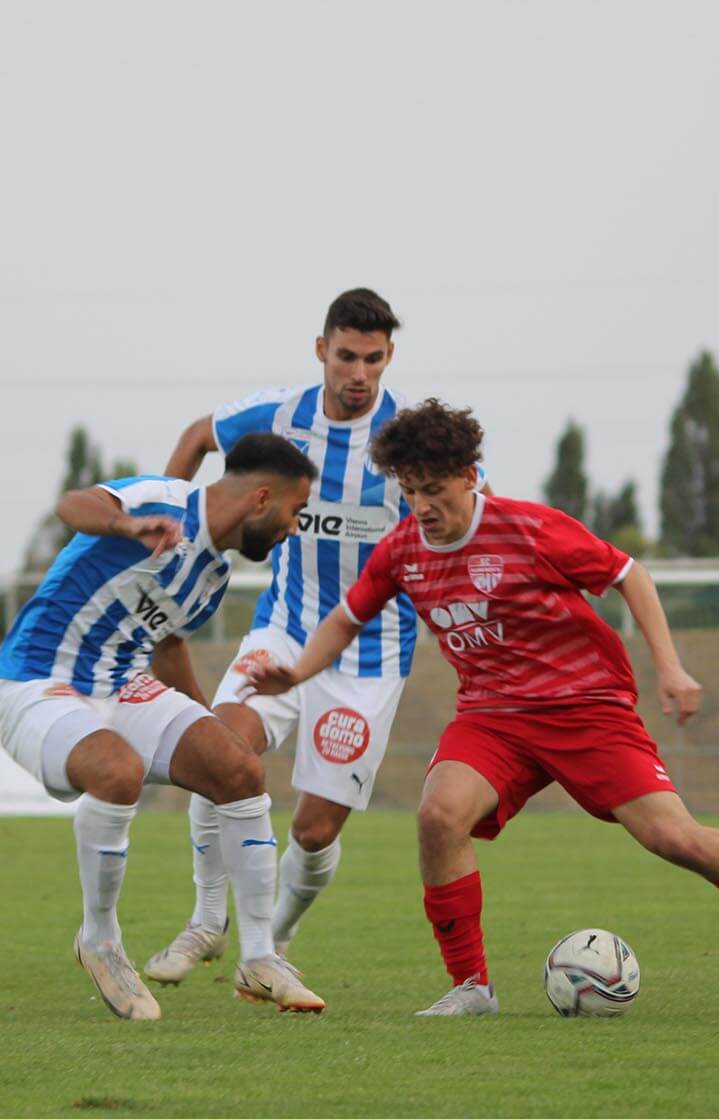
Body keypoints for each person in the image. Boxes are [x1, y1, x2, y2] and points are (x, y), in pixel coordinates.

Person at [246, 398, 719, 1017]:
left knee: (675, 839)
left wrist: (670, 666)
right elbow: (347, 619)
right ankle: (472, 987)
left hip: (586, 708)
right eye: (409, 492)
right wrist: (295, 673)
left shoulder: (529, 528)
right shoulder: (404, 549)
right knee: (439, 816)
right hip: (493, 716)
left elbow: (629, 575)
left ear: (468, 475)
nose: (422, 506)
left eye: (434, 490)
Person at [146, 288, 488, 984]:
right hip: (284, 626)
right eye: (344, 356)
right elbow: (193, 437)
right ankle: (207, 922)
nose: (357, 373)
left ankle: (272, 938)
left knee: (312, 831)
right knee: (217, 749)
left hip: (368, 654)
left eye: (372, 359)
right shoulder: (279, 415)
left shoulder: (404, 440)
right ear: (320, 351)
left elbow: (466, 508)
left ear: (388, 356)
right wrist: (163, 531)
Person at [0, 433, 324, 1020]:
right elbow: (72, 504)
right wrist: (126, 526)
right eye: (295, 513)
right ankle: (99, 941)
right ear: (262, 499)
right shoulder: (164, 501)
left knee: (240, 768)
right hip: (38, 680)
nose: (294, 528)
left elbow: (167, 649)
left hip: (122, 684)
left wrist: (209, 730)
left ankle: (258, 958)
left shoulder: (213, 575)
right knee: (117, 770)